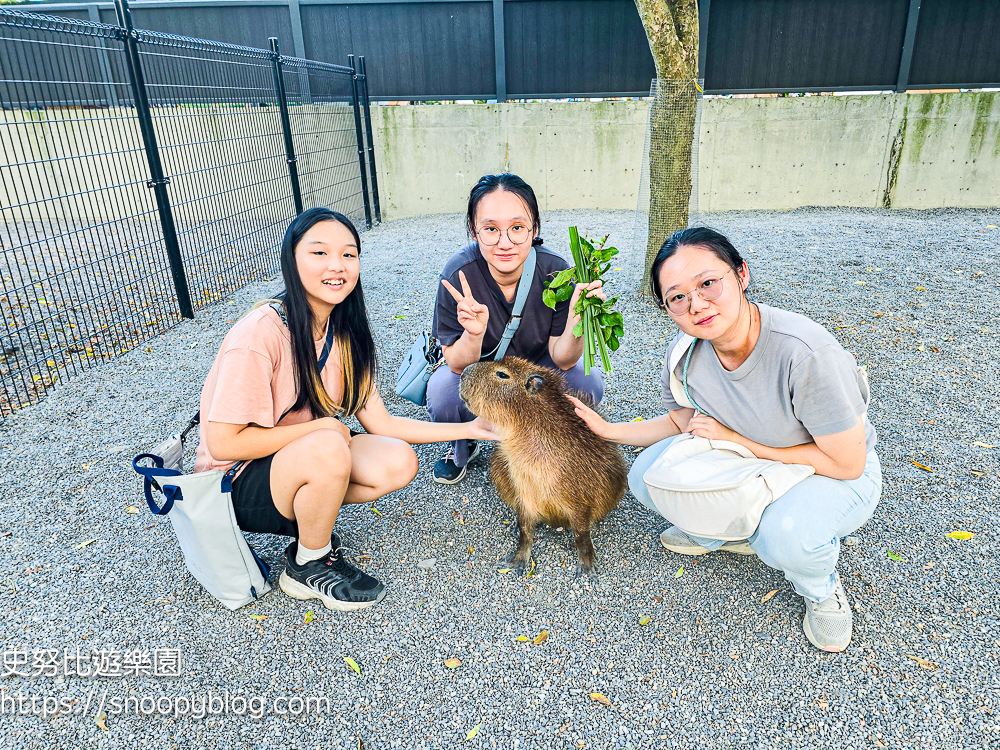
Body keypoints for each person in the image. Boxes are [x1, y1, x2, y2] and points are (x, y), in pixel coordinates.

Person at [569, 227, 881, 653]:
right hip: (749, 454)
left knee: (784, 536)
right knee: (643, 476)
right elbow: (682, 422)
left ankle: (819, 587)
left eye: (708, 283)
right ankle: (724, 530)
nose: (696, 304)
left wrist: (739, 440)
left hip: (831, 472)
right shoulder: (687, 351)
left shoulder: (806, 354)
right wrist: (608, 432)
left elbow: (849, 464)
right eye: (677, 297)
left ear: (741, 274)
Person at [194, 208, 497, 611]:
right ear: (292, 260)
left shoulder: (344, 330)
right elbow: (223, 442)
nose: (337, 266)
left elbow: (382, 423)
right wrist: (321, 430)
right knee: (329, 441)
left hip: (299, 457)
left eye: (349, 254)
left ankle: (311, 521)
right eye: (319, 253)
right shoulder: (260, 333)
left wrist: (472, 430)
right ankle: (308, 564)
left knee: (397, 461)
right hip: (235, 481)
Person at [427, 173, 605, 483]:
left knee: (587, 382)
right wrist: (474, 333)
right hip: (483, 372)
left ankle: (546, 439)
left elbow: (563, 360)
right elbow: (456, 364)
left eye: (517, 228)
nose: (505, 242)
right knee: (443, 395)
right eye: (491, 229)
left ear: (535, 228)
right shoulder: (458, 275)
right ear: (474, 230)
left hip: (537, 367)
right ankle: (463, 443)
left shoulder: (555, 271)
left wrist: (578, 324)